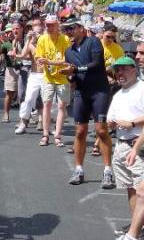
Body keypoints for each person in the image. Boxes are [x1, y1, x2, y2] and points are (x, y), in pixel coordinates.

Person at [60, 18, 115, 188]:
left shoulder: (93, 42)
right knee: (79, 132)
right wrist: (69, 76)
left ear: (81, 28)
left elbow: (97, 64)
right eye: (66, 30)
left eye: (71, 28)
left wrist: (76, 70)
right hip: (81, 92)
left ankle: (108, 171)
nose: (68, 32)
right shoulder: (68, 51)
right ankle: (78, 170)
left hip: (99, 91)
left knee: (101, 130)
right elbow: (74, 75)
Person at [106, 57, 144, 240]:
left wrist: (131, 122)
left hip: (138, 143)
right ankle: (137, 225)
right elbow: (110, 120)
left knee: (142, 191)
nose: (119, 73)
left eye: (123, 69)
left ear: (134, 70)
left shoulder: (142, 88)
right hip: (121, 145)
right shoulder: (118, 94)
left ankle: (134, 234)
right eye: (117, 70)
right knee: (130, 188)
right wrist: (111, 124)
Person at [35, 15, 71, 147]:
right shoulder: (42, 39)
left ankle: (57, 135)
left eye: (51, 25)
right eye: (47, 25)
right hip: (48, 77)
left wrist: (49, 61)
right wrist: (40, 60)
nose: (48, 27)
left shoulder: (65, 39)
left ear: (57, 25)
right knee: (47, 104)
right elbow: (38, 57)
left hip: (62, 77)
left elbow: (68, 60)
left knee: (61, 106)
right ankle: (45, 134)